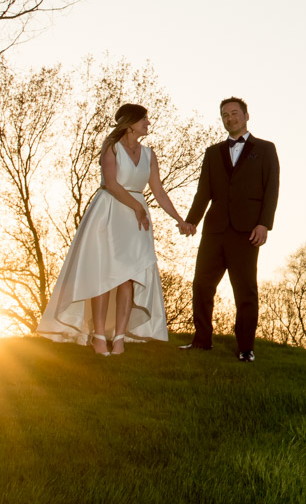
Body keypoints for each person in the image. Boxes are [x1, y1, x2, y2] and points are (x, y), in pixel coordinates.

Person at [37, 104, 193, 355]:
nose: (148, 124)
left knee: (129, 277)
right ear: (130, 123)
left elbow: (159, 191)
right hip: (110, 212)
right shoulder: (111, 148)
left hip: (136, 220)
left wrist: (180, 219)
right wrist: (136, 208)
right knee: (105, 275)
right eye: (144, 119)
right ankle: (99, 336)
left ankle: (119, 337)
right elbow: (111, 184)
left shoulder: (149, 154)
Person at [181, 97, 279, 362]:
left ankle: (245, 347)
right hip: (214, 230)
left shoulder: (266, 149)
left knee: (245, 291)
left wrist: (264, 224)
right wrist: (192, 220)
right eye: (225, 115)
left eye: (234, 113)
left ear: (246, 116)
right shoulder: (213, 153)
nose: (230, 118)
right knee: (202, 286)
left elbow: (271, 189)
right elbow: (204, 191)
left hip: (247, 231)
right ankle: (202, 340)